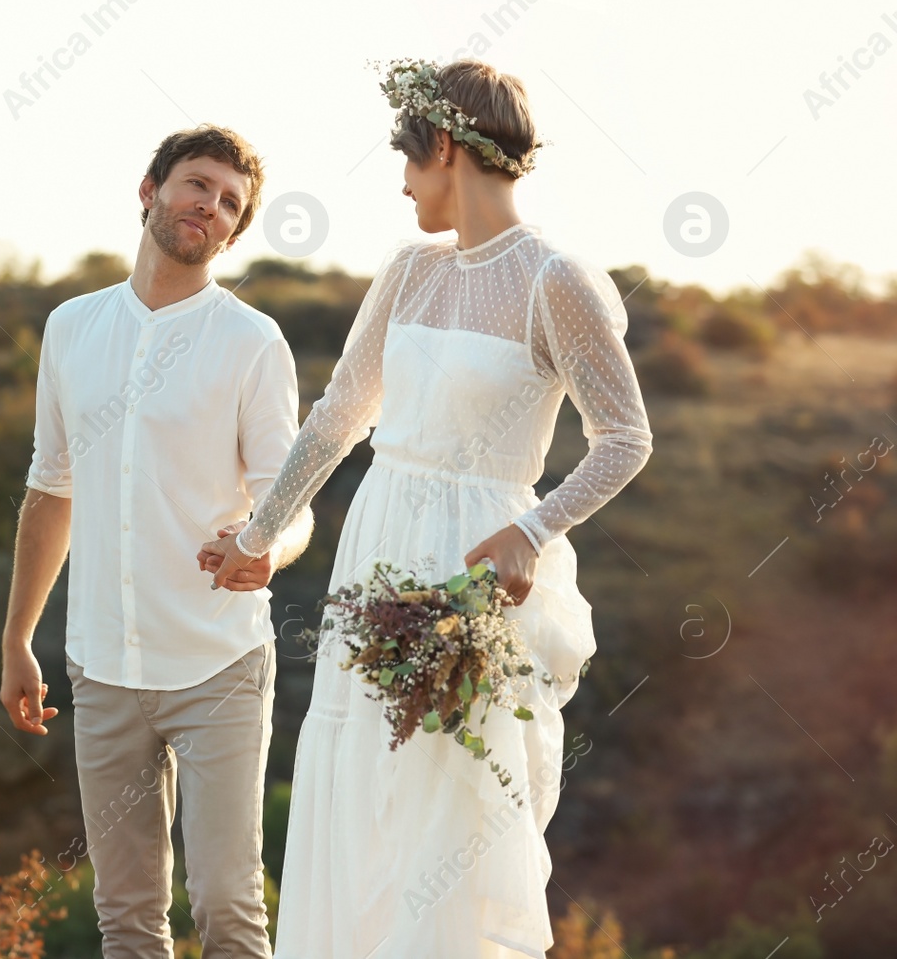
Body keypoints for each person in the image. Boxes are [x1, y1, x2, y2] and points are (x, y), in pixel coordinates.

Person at [197, 58, 654, 958]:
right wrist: (256, 535)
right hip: (377, 549)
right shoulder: (408, 269)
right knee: (366, 790)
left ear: (443, 146)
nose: (402, 184)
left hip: (472, 577)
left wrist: (531, 530)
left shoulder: (554, 280)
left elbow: (626, 438)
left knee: (455, 804)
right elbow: (337, 419)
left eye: (407, 159)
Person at [0, 125, 315, 957]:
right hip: (100, 666)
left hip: (219, 666)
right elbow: (49, 488)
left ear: (233, 230)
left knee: (226, 905)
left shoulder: (252, 343)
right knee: (129, 917)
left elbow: (296, 505)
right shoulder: (70, 326)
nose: (208, 206)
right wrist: (17, 640)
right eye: (197, 184)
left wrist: (265, 550)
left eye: (229, 203)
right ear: (150, 189)